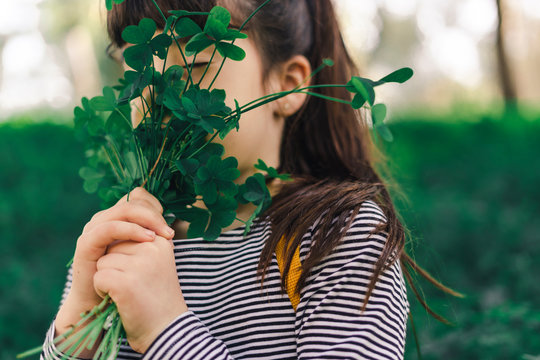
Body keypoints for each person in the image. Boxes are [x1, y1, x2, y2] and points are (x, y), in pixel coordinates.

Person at [41, 0, 414, 359]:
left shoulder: (338, 234)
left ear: (287, 85)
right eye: (136, 65)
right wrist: (75, 336)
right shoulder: (124, 236)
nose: (159, 95)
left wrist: (165, 331)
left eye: (197, 61)